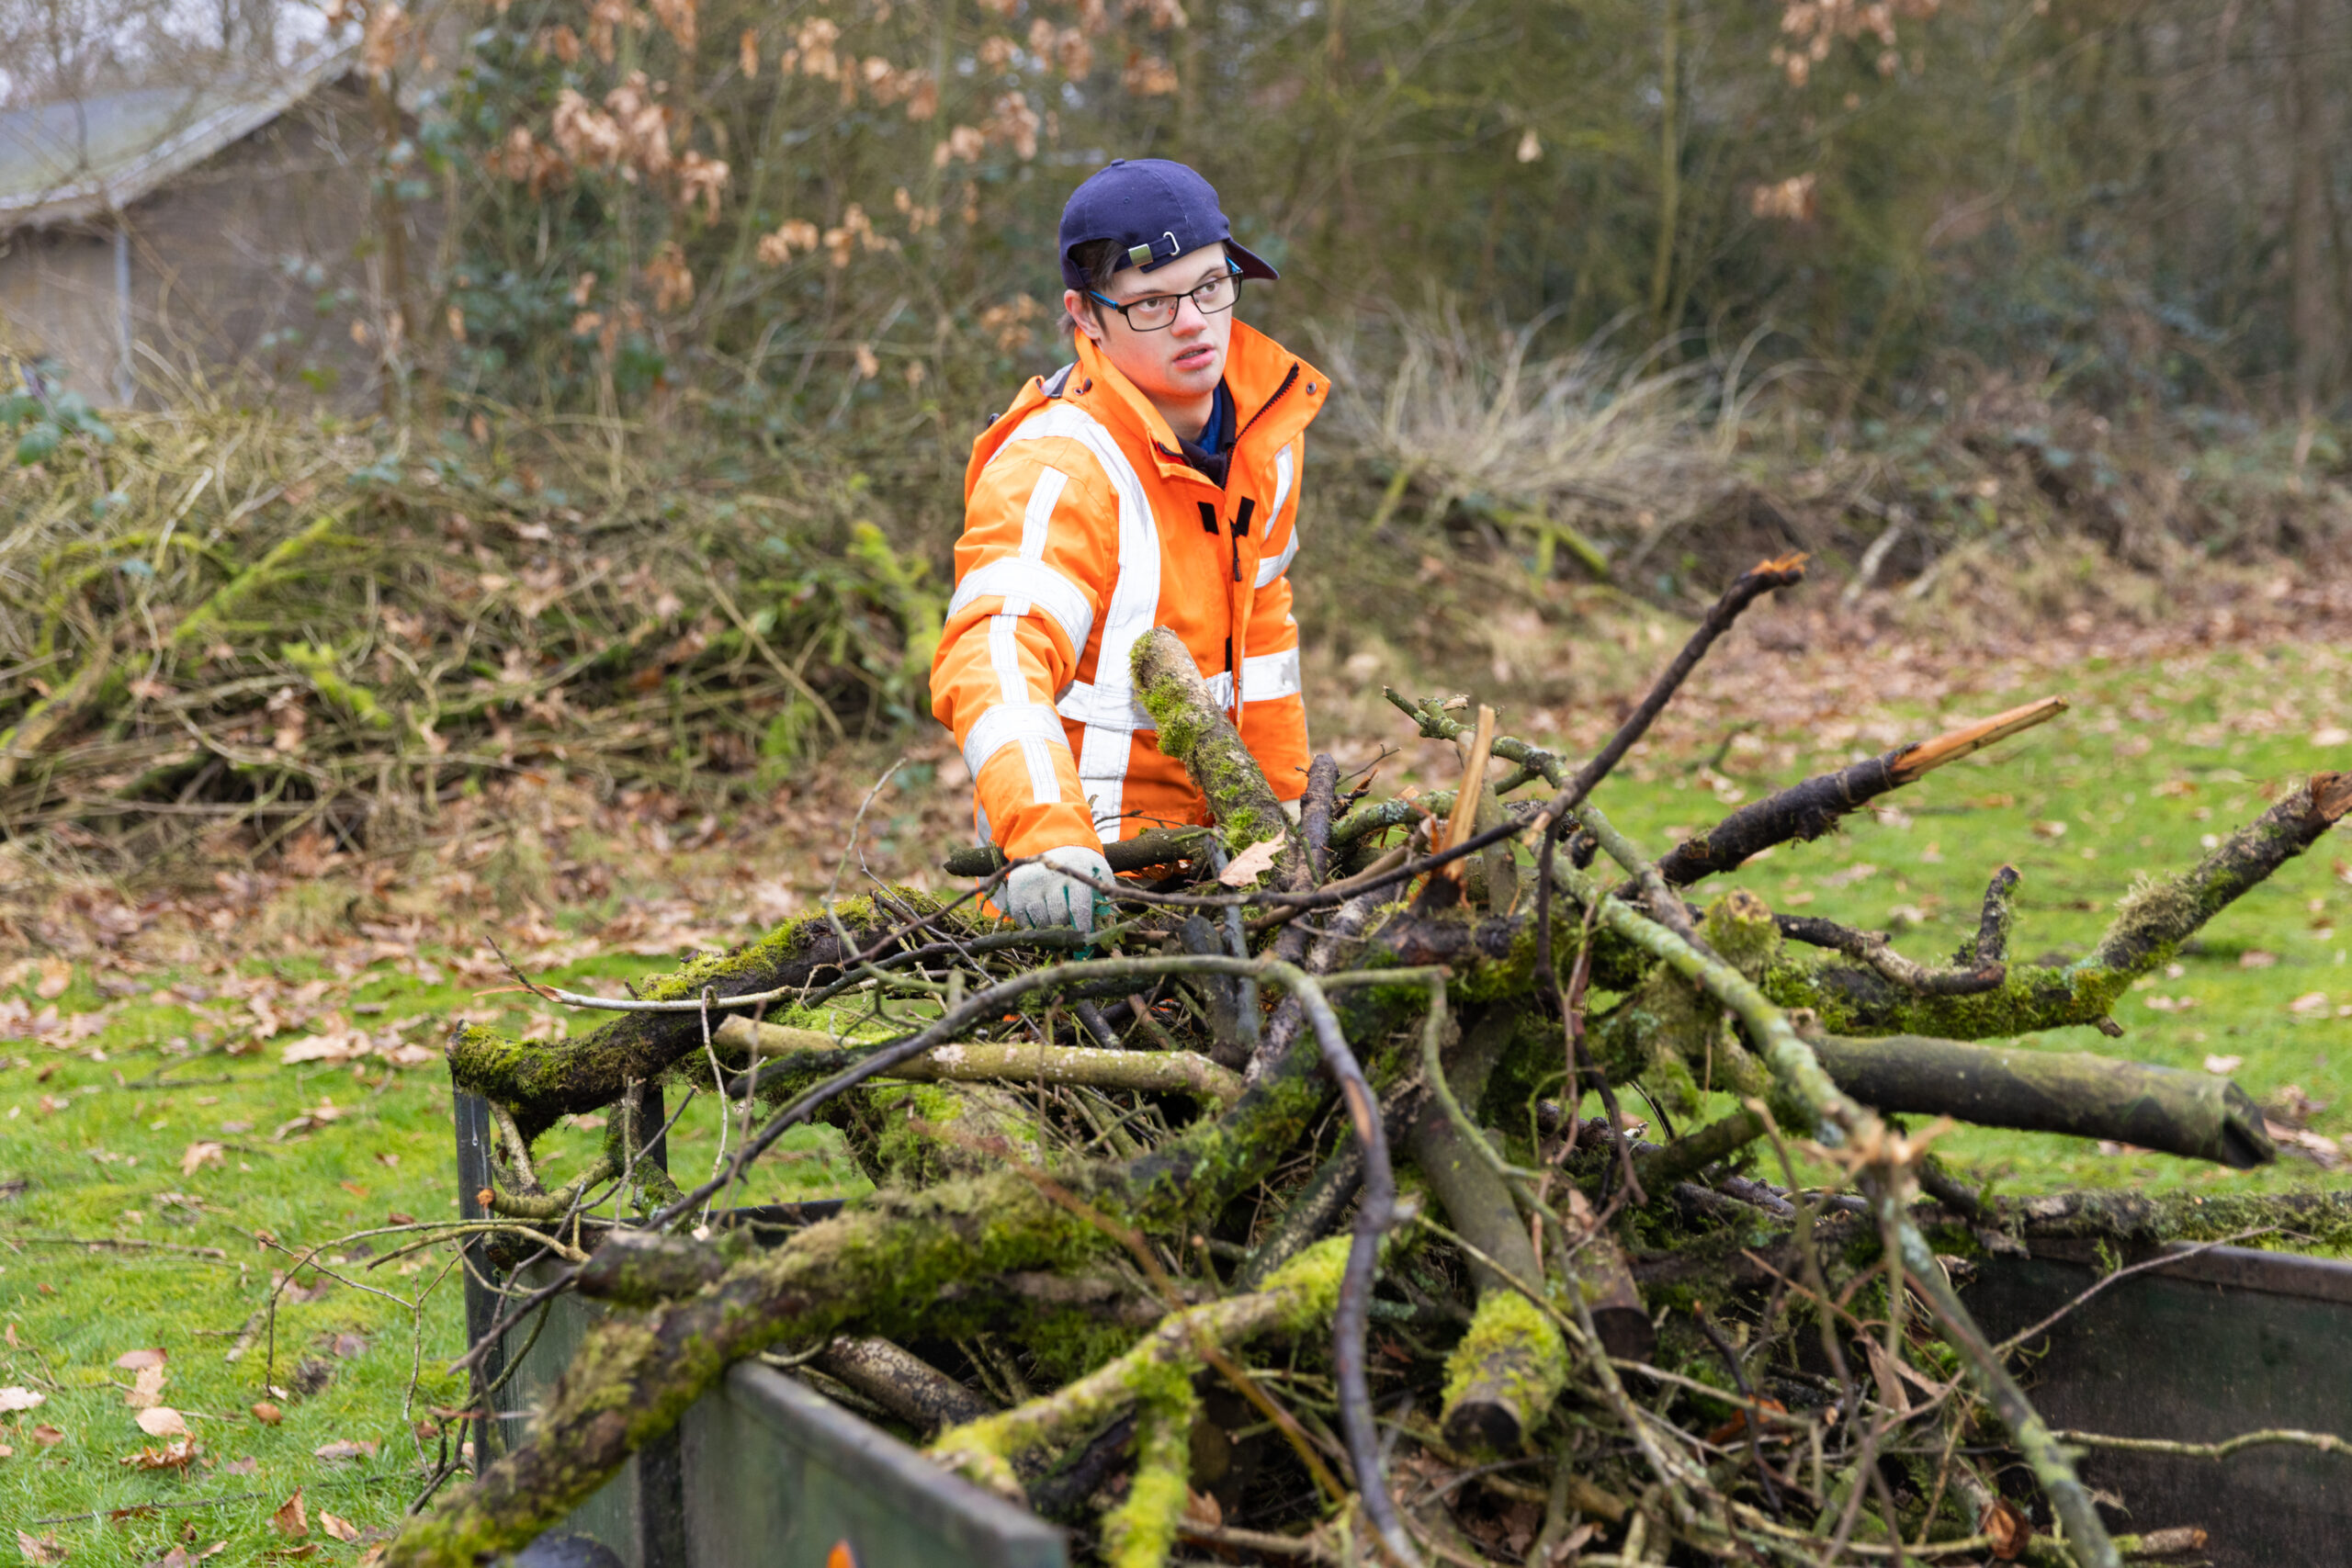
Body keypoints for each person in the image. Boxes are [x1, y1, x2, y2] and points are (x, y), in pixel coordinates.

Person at [930, 158, 1329, 933]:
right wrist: (1047, 835)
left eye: (1211, 287)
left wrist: (1284, 828)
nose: (1193, 323)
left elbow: (1267, 643)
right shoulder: (1060, 467)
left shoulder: (1265, 441)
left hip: (1221, 877)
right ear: (1087, 316)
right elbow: (995, 653)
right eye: (1151, 303)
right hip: (1086, 894)